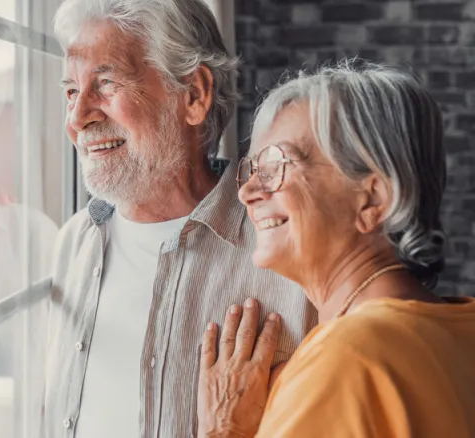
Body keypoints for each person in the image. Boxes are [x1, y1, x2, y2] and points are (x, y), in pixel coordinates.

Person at [42, 0, 316, 438]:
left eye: (105, 84)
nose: (77, 117)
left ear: (193, 95)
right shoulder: (73, 242)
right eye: (71, 91)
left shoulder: (290, 253)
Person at [196, 61, 475, 438]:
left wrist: (224, 429)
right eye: (254, 168)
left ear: (372, 199)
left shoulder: (346, 360)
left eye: (277, 164)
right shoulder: (460, 330)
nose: (247, 192)